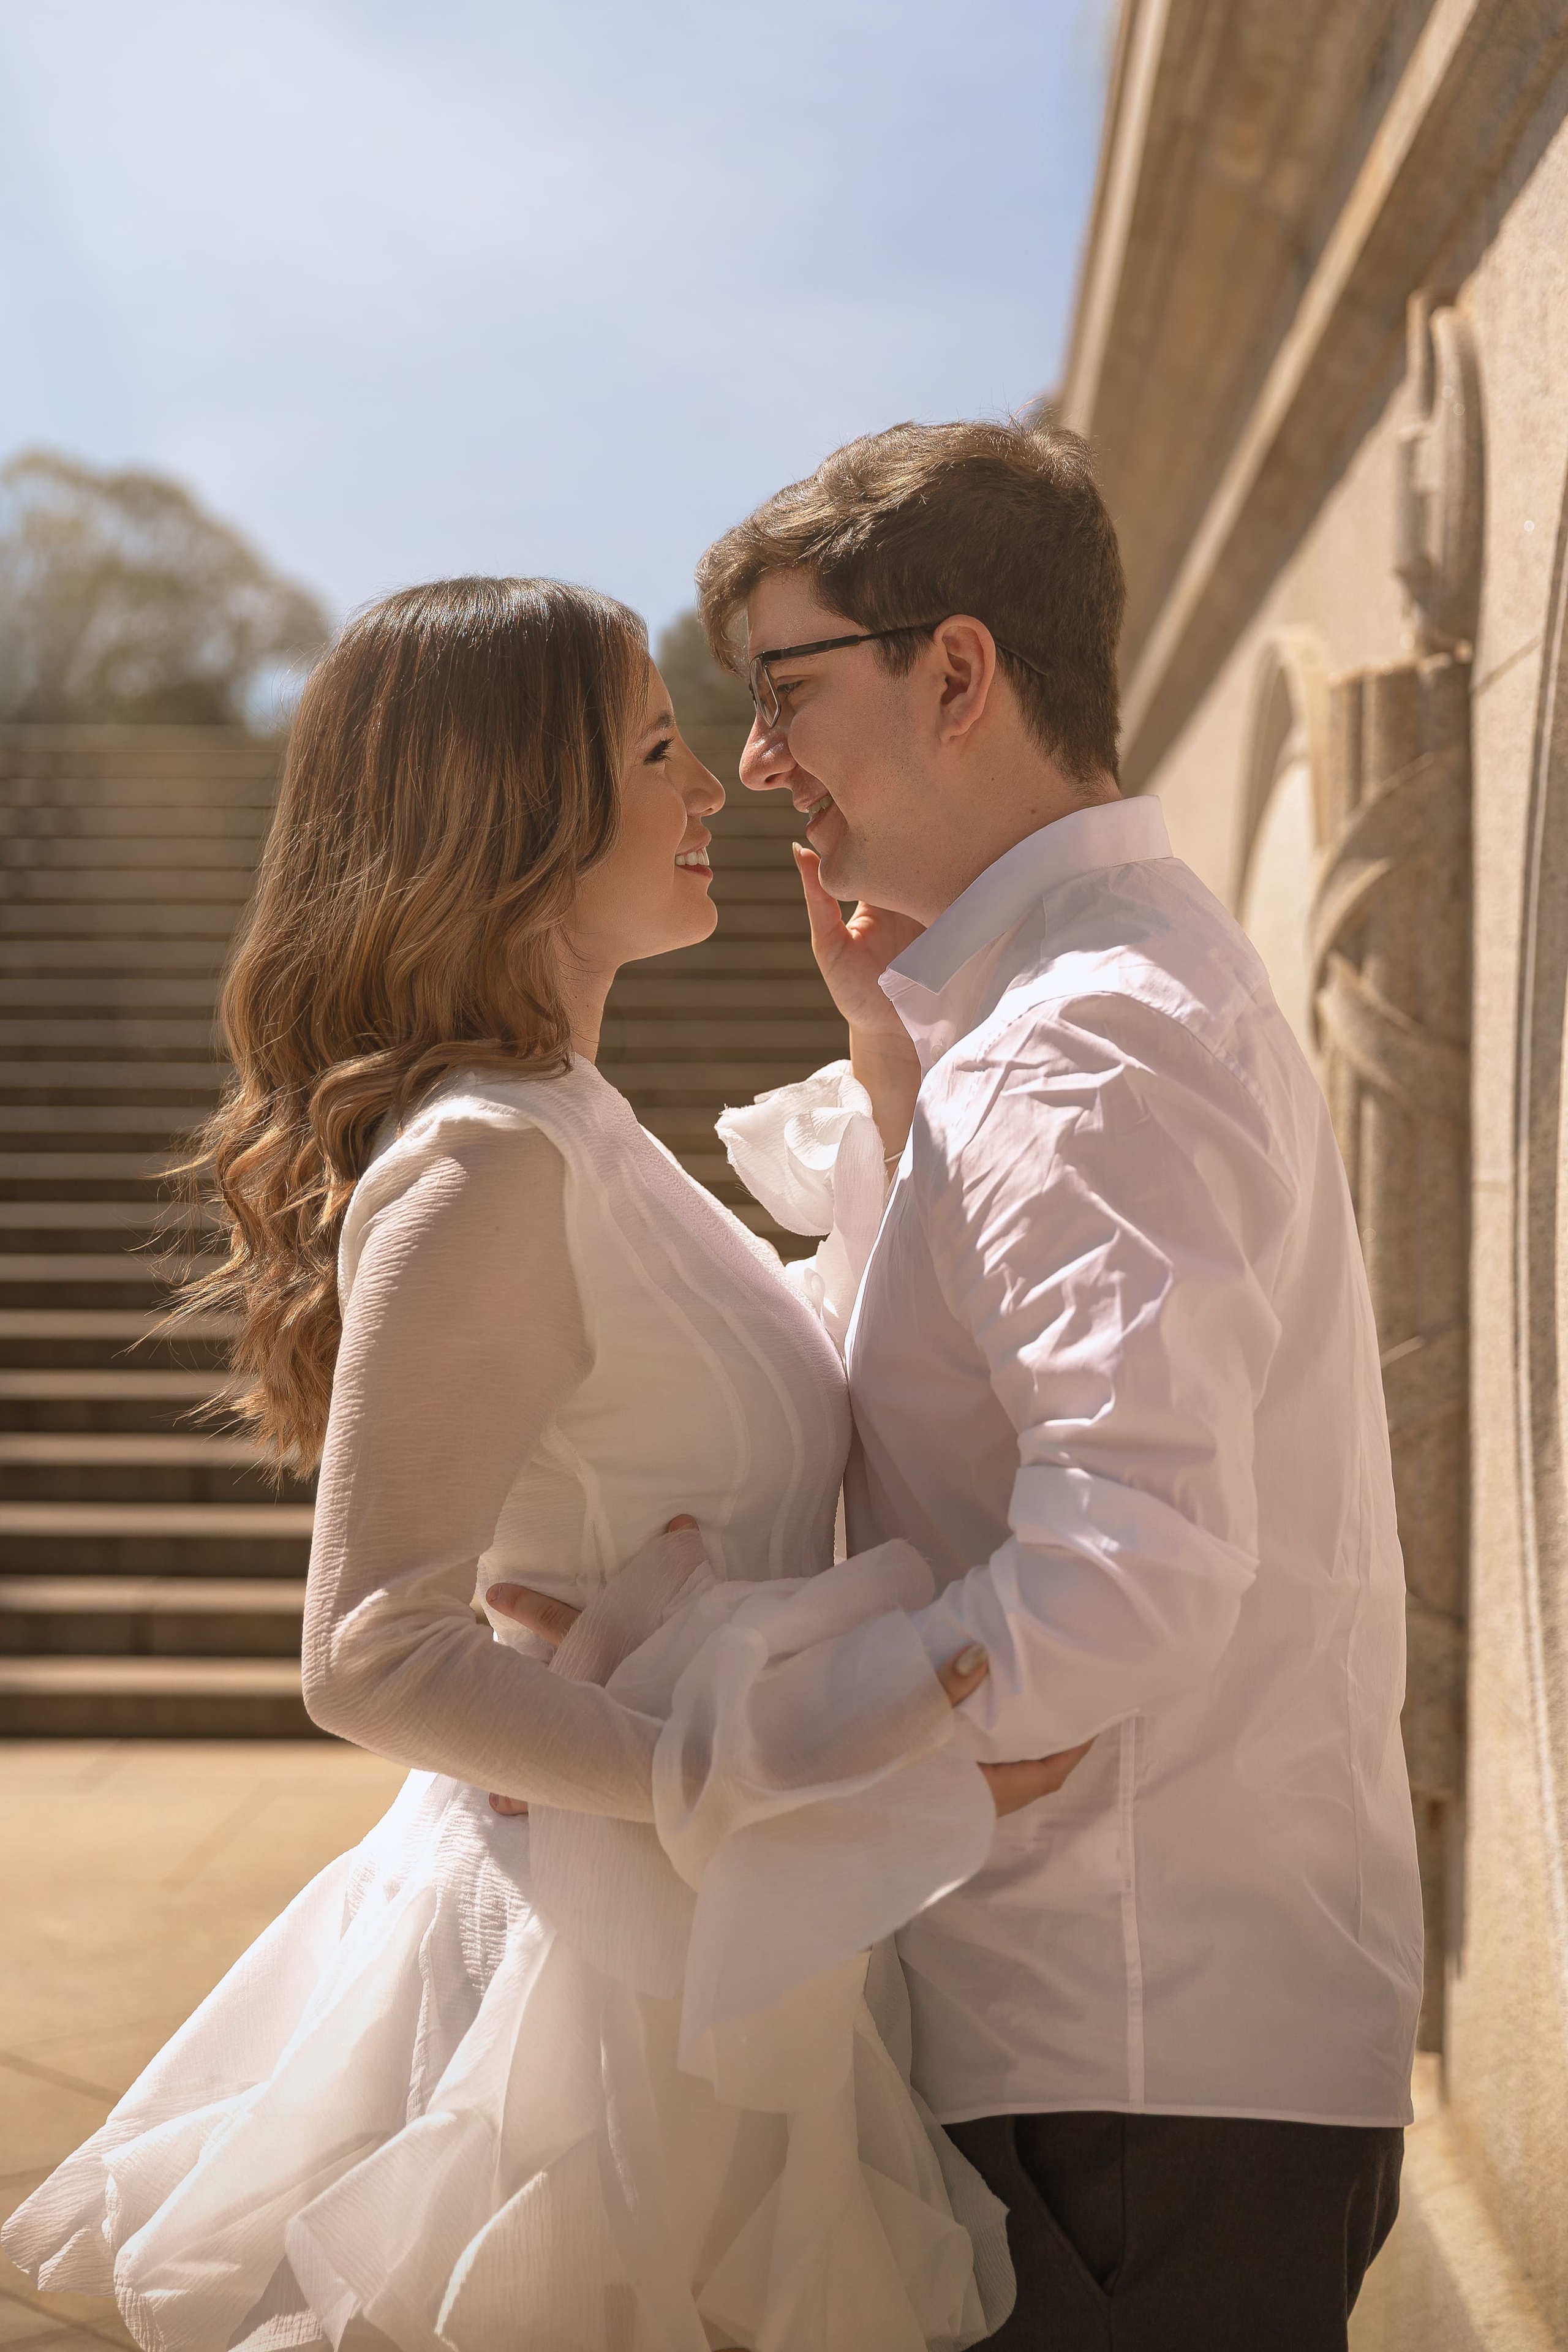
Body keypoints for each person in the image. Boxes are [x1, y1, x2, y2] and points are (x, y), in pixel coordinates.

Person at [2, 576, 1087, 2352]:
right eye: (659, 746)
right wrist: (786, 1779)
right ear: (515, 813)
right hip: (566, 2003)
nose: (712, 788)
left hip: (671, 1958)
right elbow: (368, 1652)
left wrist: (885, 1060)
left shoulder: (575, 1124)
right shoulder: (486, 1162)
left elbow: (805, 1378)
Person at [684, 420, 1424, 2350]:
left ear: (955, 672)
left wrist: (731, 1748)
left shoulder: (1078, 1045)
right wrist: (895, 1070)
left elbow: (1129, 1573)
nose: (757, 762)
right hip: (1160, 2047)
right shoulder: (1076, 1004)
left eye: (785, 692)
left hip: (1123, 2059)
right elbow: (980, 1393)